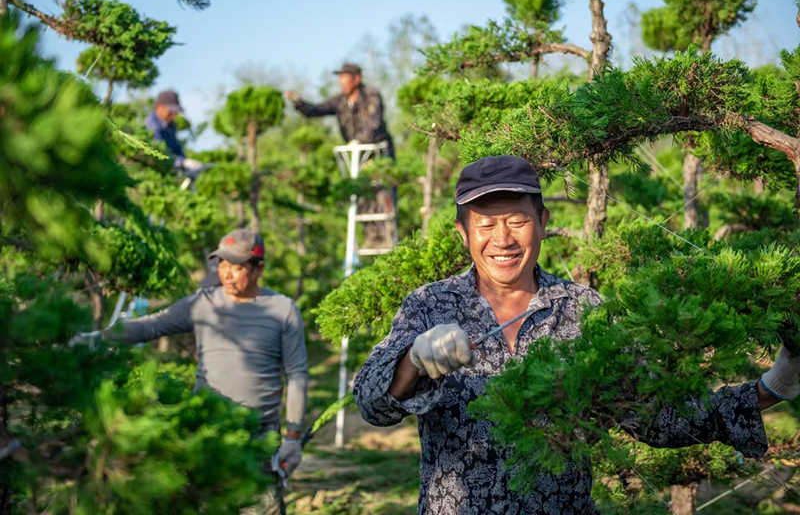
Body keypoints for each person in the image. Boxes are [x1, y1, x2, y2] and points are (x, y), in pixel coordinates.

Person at [352, 155, 800, 514]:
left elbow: (659, 413)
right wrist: (413, 360)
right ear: (462, 233)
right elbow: (372, 404)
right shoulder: (429, 305)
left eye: (517, 221)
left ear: (543, 222)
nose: (502, 239)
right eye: (486, 225)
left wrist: (772, 388)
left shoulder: (582, 310)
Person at [82, 229, 308, 493]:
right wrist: (96, 338)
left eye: (236, 267)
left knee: (259, 505)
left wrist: (292, 438)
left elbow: (297, 375)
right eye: (222, 264)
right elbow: (150, 326)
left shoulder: (282, 309)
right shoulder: (203, 303)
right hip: (207, 427)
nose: (226, 274)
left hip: (259, 435)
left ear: (258, 269)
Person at [286, 63, 396, 250]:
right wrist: (298, 102)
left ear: (356, 79)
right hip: (357, 155)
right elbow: (316, 110)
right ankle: (371, 236)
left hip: (377, 152)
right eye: (340, 78)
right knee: (361, 195)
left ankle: (386, 234)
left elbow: (374, 122)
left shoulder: (371, 95)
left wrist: (360, 141)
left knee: (381, 193)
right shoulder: (339, 101)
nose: (341, 82)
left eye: (345, 77)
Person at [145, 90, 207, 178]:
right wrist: (182, 162)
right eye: (170, 112)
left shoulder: (170, 125)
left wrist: (185, 161)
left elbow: (176, 147)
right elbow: (160, 154)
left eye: (175, 112)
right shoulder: (152, 127)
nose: (173, 115)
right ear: (158, 107)